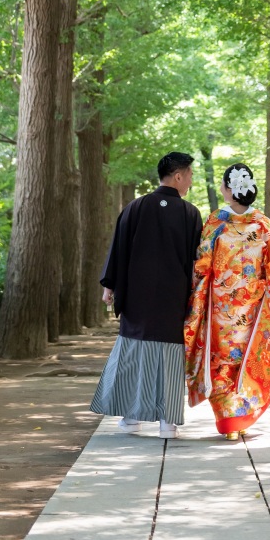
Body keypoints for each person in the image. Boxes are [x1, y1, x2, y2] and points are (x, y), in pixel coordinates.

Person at [90, 151, 203, 438]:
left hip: (137, 294)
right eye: (189, 175)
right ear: (177, 176)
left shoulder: (136, 207)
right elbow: (195, 262)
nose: (190, 180)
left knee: (133, 352)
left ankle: (131, 418)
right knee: (170, 355)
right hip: (173, 296)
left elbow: (119, 248)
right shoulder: (190, 213)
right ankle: (168, 422)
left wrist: (109, 286)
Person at [184, 162, 270, 439]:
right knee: (248, 354)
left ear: (229, 190)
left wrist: (201, 289)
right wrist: (267, 287)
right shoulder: (262, 223)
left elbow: (202, 261)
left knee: (223, 357)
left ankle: (228, 419)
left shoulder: (217, 222)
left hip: (222, 305)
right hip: (253, 303)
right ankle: (240, 415)